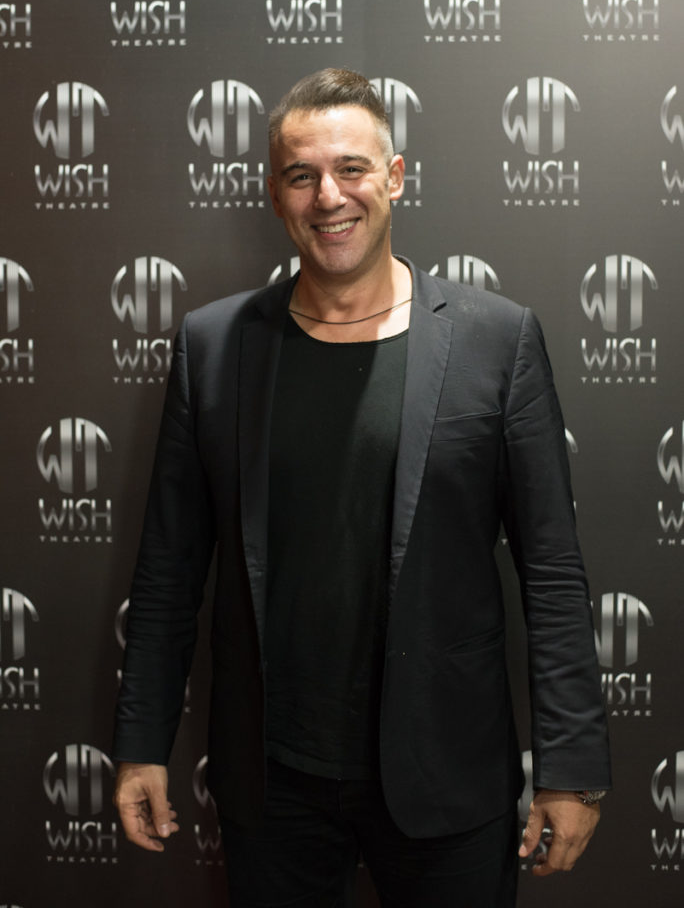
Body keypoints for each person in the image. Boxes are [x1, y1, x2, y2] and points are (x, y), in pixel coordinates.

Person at [113, 68, 610, 907]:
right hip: (274, 785)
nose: (329, 197)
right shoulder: (213, 346)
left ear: (395, 177)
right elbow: (168, 571)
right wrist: (140, 743)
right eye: (301, 175)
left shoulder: (497, 341)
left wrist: (573, 767)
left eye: (351, 169)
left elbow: (553, 573)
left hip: (450, 774)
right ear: (274, 194)